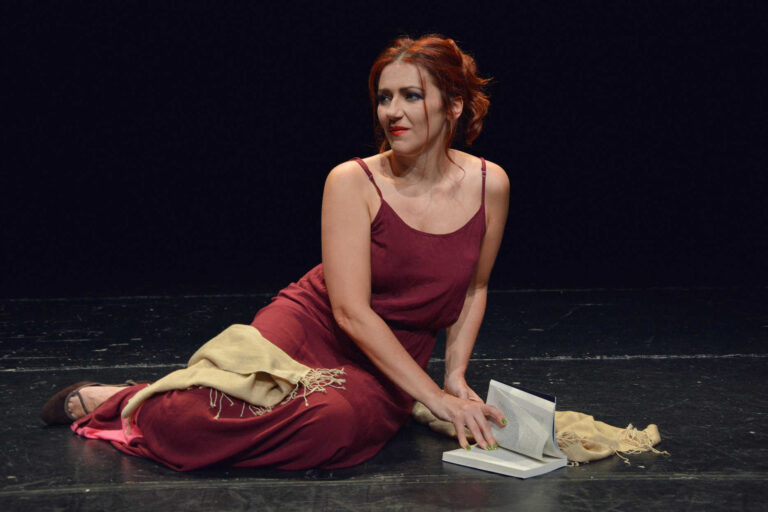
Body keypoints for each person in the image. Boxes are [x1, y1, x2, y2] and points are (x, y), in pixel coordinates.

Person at [41, 34, 511, 471]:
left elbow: (475, 286)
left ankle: (161, 403)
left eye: (411, 95)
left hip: (389, 361)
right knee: (205, 413)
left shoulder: (489, 184)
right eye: (384, 97)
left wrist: (454, 377)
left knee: (332, 426)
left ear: (453, 105)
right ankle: (127, 401)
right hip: (313, 326)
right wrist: (434, 397)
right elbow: (349, 312)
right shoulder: (354, 181)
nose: (392, 111)